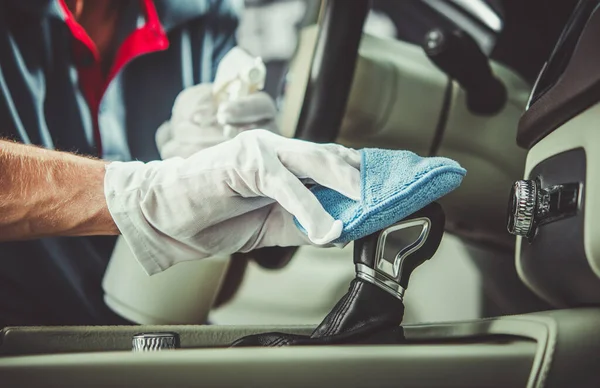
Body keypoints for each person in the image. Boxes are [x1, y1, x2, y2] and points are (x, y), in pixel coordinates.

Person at [0, 0, 360, 326]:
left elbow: (220, 290)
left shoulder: (204, 16)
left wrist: (237, 193)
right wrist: (141, 197)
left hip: (147, 332)